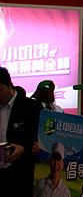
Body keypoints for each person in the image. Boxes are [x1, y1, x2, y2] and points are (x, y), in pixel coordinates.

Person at [0, 66, 43, 197]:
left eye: (0, 90)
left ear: (10, 85)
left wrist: (24, 148)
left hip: (20, 174)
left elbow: (40, 139)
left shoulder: (31, 107)